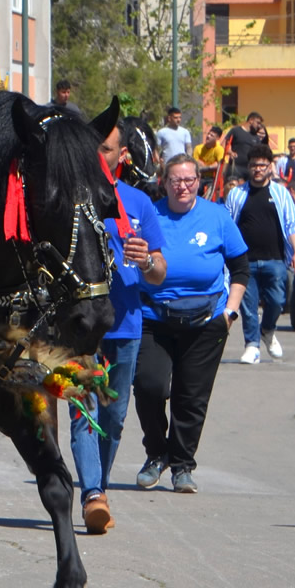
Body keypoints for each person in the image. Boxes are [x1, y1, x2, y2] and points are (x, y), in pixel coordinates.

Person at [133, 155, 248, 494]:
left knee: (191, 396)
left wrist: (230, 313)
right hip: (155, 318)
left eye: (189, 180)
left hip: (207, 321)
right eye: (175, 180)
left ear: (199, 182)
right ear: (163, 183)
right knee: (150, 386)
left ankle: (182, 465)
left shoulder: (217, 216)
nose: (182, 186)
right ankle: (156, 454)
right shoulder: (149, 216)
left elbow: (241, 269)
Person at [75, 111, 166, 533]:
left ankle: (101, 489)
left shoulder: (139, 203)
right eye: (92, 147)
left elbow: (160, 272)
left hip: (125, 325)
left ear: (123, 155)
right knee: (84, 412)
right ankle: (92, 493)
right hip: (80, 327)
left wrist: (146, 260)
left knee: (112, 418)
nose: (97, 154)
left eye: (106, 148)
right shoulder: (73, 196)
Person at [222, 146, 295, 364]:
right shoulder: (237, 194)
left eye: (262, 165)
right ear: (248, 167)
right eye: (254, 165)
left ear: (270, 167)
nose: (257, 169)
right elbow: (227, 226)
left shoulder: (280, 193)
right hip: (244, 261)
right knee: (248, 307)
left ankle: (267, 329)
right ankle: (252, 346)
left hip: (275, 259)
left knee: (277, 301)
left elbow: (292, 224)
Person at [195, 125, 225, 191]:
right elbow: (195, 165)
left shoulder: (219, 149)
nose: (208, 136)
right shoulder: (198, 148)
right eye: (208, 134)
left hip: (212, 179)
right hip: (200, 177)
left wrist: (204, 167)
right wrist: (211, 166)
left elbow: (220, 165)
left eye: (212, 135)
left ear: (217, 138)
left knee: (210, 190)